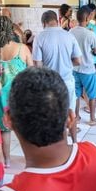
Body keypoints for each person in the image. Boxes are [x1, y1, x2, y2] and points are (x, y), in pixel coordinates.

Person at [0, 16, 33, 168]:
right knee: (25, 128)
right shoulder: (21, 48)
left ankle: (7, 161)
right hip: (19, 96)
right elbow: (32, 72)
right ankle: (31, 160)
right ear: (11, 29)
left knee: (4, 129)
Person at [32, 10, 82, 142]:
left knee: (53, 115)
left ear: (44, 23)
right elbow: (78, 60)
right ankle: (75, 143)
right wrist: (66, 64)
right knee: (70, 113)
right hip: (67, 82)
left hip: (49, 83)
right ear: (57, 20)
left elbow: (37, 64)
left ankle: (59, 145)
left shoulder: (40, 37)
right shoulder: (69, 36)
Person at [71, 6, 96, 126]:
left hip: (74, 69)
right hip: (88, 68)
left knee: (76, 95)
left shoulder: (71, 32)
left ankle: (77, 117)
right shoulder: (90, 34)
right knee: (92, 95)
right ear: (86, 18)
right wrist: (95, 51)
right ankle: (92, 119)